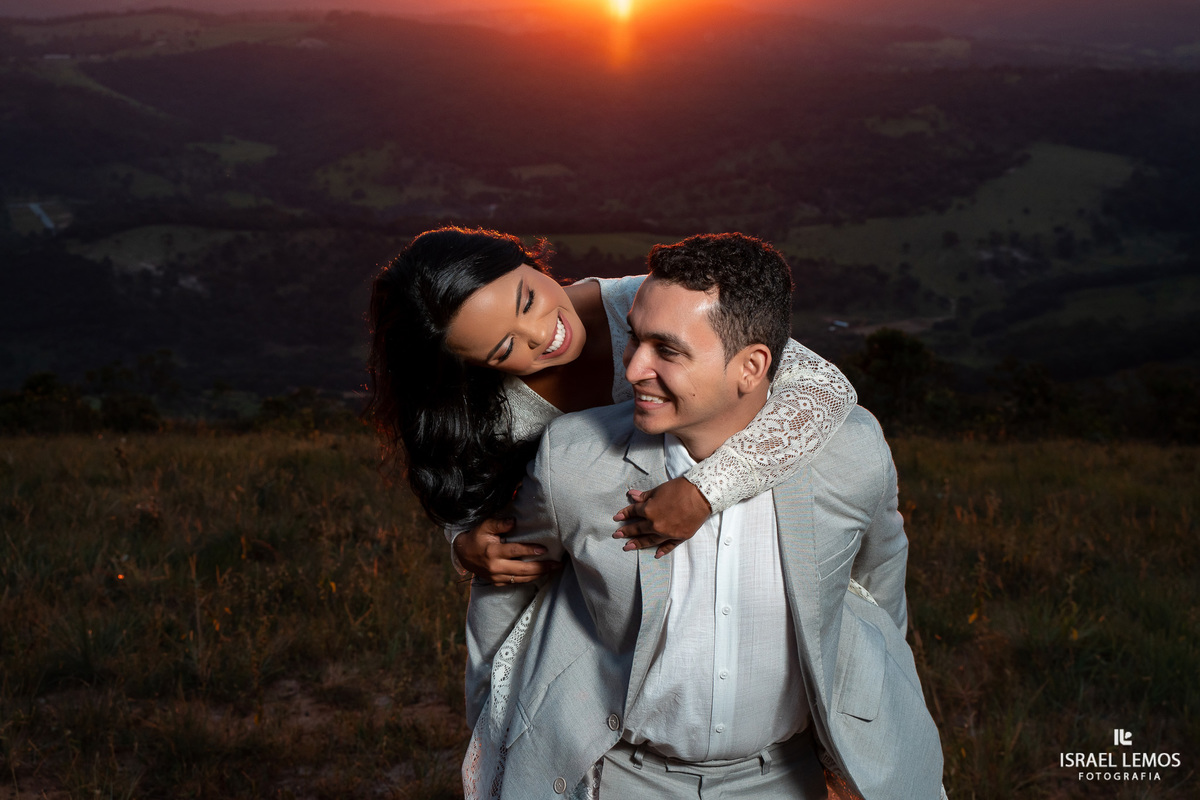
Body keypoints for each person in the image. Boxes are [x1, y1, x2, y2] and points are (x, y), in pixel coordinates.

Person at [464, 233, 944, 799]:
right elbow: (504, 599)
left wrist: (855, 731)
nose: (634, 367)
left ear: (752, 367)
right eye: (634, 338)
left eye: (667, 351)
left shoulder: (852, 454)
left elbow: (878, 591)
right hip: (620, 774)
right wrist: (487, 742)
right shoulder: (572, 459)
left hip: (787, 779)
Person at [364, 227, 858, 582]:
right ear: (474, 367)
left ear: (528, 262)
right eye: (503, 349)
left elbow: (824, 388)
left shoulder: (643, 301)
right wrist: (464, 545)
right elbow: (459, 487)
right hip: (595, 594)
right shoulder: (488, 409)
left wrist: (705, 491)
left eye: (527, 301)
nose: (541, 335)